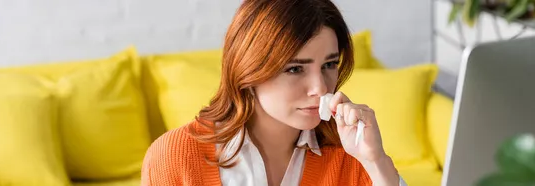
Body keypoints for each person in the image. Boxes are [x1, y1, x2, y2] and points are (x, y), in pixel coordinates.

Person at [141, 0, 407, 185]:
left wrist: (375, 162)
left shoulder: (351, 155)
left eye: (329, 64)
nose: (321, 87)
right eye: (294, 69)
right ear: (248, 70)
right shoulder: (173, 159)